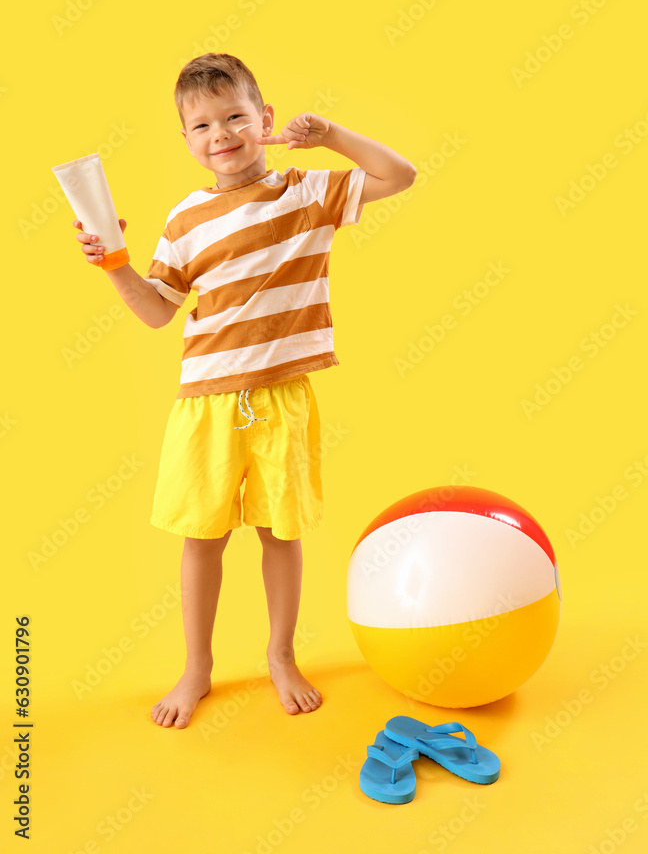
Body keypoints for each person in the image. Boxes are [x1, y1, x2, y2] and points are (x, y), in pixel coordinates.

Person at [73, 52, 416, 728]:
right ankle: (196, 666)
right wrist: (113, 265)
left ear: (263, 120)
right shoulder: (184, 219)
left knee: (277, 531)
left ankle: (280, 655)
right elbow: (156, 309)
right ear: (186, 140)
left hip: (281, 397)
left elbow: (398, 175)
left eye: (234, 117)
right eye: (201, 125)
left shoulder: (306, 190)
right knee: (200, 538)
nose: (221, 134)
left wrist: (332, 136)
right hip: (205, 403)